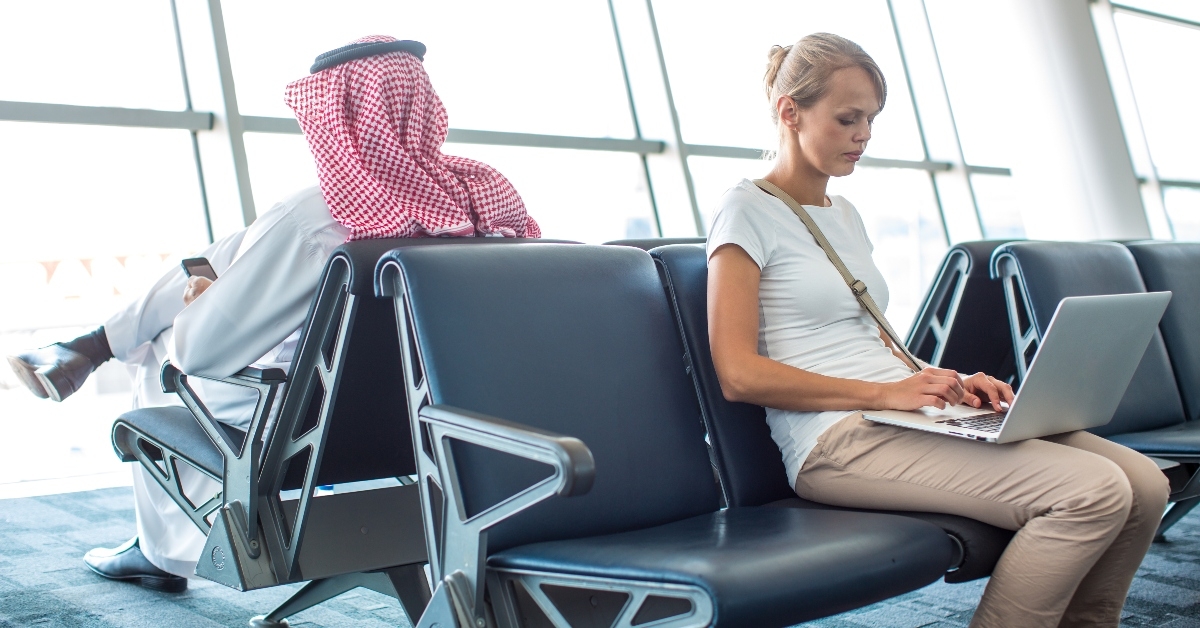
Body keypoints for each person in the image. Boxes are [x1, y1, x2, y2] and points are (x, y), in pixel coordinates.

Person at [7, 35, 539, 592]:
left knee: (163, 346)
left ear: (339, 114)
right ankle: (91, 344)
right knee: (235, 249)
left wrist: (203, 301)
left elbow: (198, 352)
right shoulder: (482, 194)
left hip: (306, 430)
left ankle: (157, 549)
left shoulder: (317, 217)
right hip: (433, 426)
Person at [706, 33, 1167, 628]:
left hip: (901, 413)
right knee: (1091, 493)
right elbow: (737, 374)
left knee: (1146, 484)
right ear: (789, 111)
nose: (863, 134)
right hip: (836, 440)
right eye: (848, 118)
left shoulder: (844, 216)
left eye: (870, 119)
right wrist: (885, 395)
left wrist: (940, 380)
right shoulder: (744, 209)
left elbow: (865, 341)